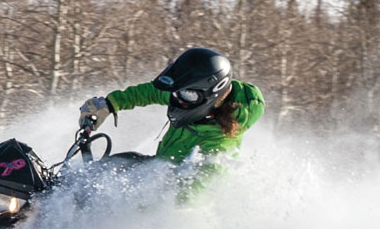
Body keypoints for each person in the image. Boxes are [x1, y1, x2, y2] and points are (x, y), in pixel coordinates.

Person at [78, 47, 264, 198]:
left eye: (186, 94)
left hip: (168, 206)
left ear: (212, 94)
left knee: (119, 183)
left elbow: (190, 196)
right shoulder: (188, 96)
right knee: (114, 165)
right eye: (176, 92)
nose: (177, 100)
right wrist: (109, 104)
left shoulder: (219, 144)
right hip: (156, 172)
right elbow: (150, 92)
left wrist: (124, 206)